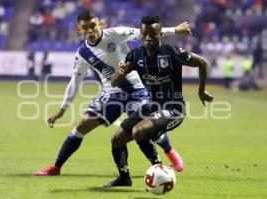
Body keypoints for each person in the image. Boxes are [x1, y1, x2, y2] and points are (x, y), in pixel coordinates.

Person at [34, 11, 192, 176]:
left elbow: (145, 33)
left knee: (145, 129)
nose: (90, 31)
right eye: (85, 28)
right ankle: (56, 167)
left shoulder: (115, 34)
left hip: (137, 91)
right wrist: (62, 109)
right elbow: (76, 80)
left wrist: (175, 29)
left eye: (93, 26)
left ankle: (165, 157)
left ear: (99, 24)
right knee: (81, 127)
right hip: (111, 94)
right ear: (79, 29)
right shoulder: (82, 53)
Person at [105, 15, 214, 187]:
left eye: (153, 34)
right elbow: (113, 82)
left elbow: (202, 63)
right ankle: (124, 178)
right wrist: (121, 72)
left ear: (160, 34)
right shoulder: (134, 56)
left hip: (174, 109)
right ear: (140, 35)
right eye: (144, 34)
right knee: (116, 139)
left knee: (138, 131)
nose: (148, 38)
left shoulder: (172, 53)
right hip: (151, 107)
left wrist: (201, 91)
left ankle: (158, 168)